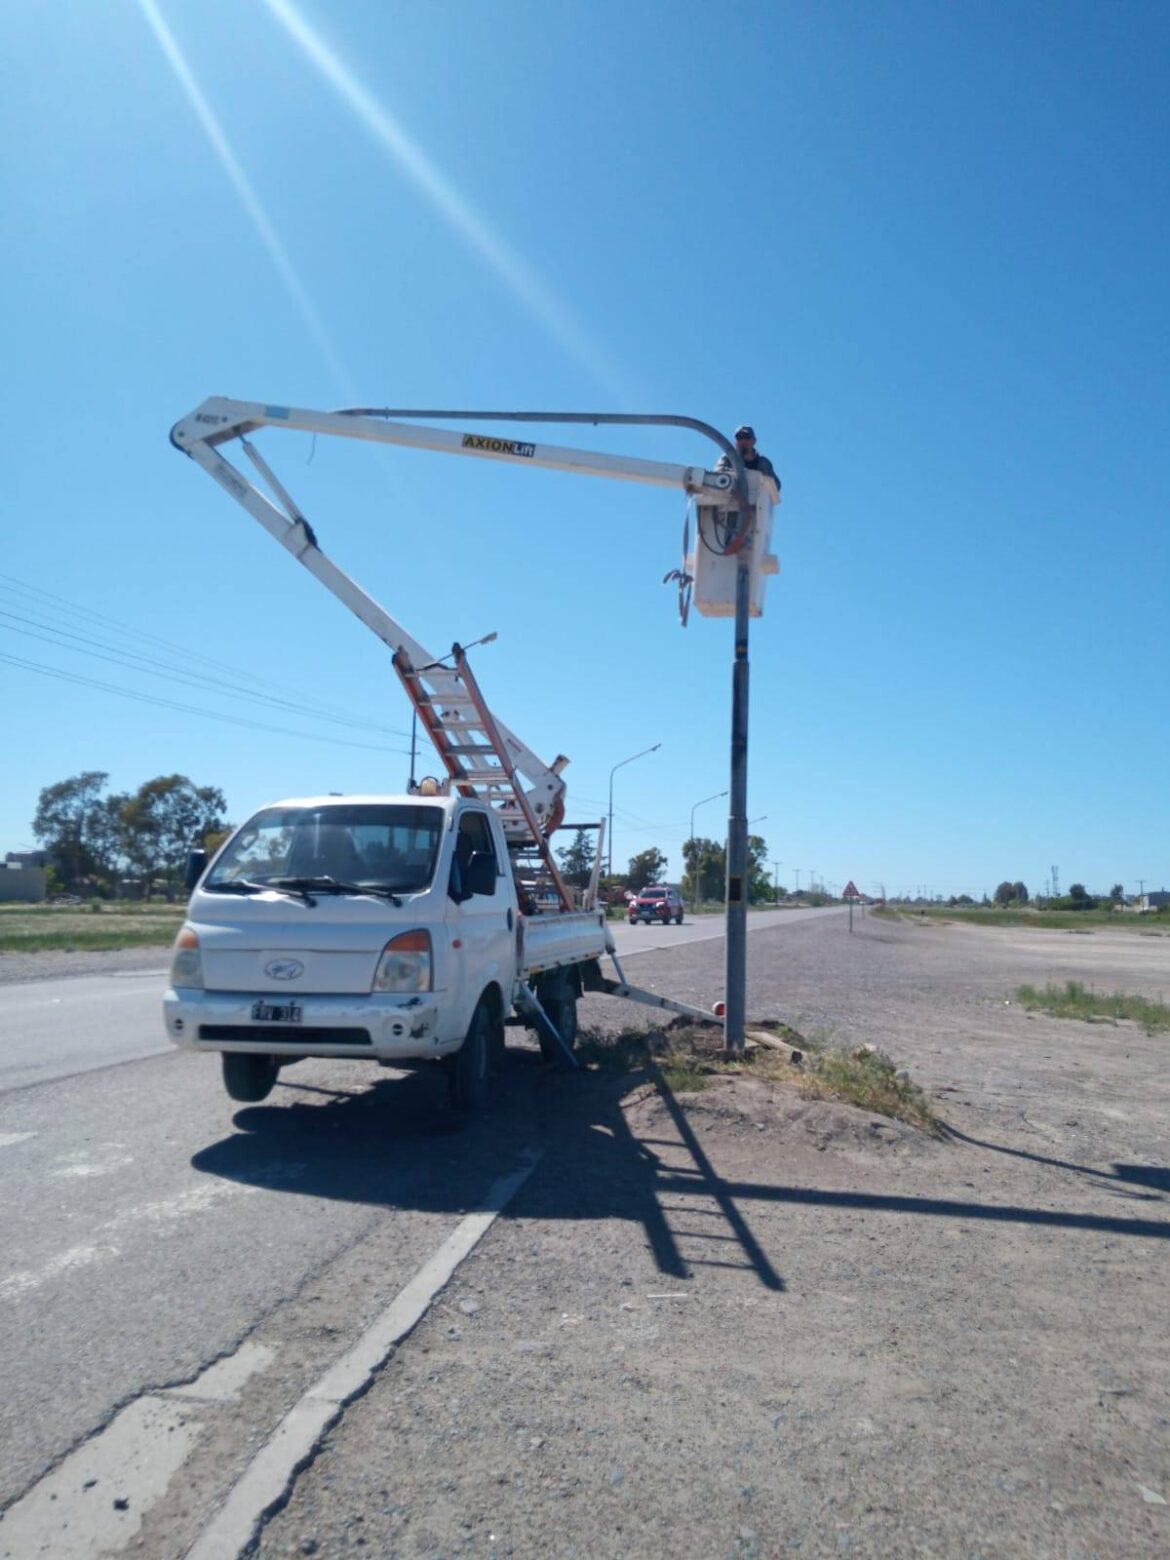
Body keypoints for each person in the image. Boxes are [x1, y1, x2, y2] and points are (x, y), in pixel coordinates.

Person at [716, 425, 780, 490]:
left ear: (754, 441)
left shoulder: (763, 463)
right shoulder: (727, 458)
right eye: (739, 437)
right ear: (735, 442)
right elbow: (717, 475)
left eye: (747, 437)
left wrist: (761, 478)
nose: (743, 441)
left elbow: (776, 486)